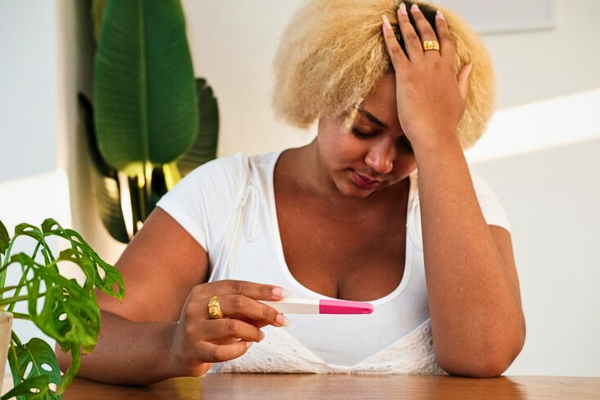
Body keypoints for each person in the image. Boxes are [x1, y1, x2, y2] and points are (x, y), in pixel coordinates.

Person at [57, 0, 525, 384]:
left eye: (409, 143)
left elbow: (482, 355)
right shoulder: (224, 193)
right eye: (364, 128)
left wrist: (437, 137)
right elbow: (75, 340)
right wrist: (172, 345)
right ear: (322, 92)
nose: (381, 162)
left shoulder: (464, 201)